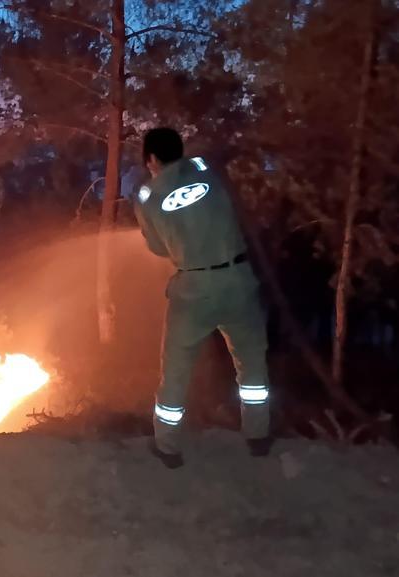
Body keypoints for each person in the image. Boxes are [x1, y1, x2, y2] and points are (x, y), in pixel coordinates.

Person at [131, 127, 272, 469]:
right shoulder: (204, 168)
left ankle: (167, 448)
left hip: (194, 289)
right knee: (251, 364)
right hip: (238, 281)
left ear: (151, 159)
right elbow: (213, 157)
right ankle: (258, 437)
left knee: (176, 371)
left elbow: (157, 247)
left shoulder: (148, 196)